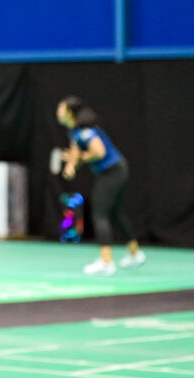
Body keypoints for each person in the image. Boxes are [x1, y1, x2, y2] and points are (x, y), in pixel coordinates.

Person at [57, 96, 145, 276]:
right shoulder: (75, 131)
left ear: (70, 113)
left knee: (100, 214)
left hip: (113, 172)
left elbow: (99, 152)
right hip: (115, 170)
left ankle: (106, 262)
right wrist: (71, 166)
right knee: (114, 213)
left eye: (61, 109)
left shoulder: (86, 131)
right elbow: (76, 150)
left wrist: (79, 159)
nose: (58, 112)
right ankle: (135, 253)